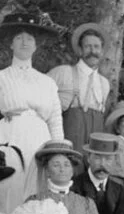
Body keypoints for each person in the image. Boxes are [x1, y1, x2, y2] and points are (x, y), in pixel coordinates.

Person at [0, 12, 63, 211]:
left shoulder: (47, 82)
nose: (25, 43)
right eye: (19, 38)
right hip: (8, 141)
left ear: (36, 45)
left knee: (36, 197)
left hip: (39, 143)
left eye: (30, 38)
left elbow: (55, 121)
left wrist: (58, 155)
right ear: (10, 44)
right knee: (8, 192)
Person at [47, 22, 110, 169]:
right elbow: (40, 99)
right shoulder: (62, 72)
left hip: (94, 147)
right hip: (67, 142)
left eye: (96, 47)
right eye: (88, 46)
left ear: (102, 51)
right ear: (80, 50)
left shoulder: (104, 84)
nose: (92, 51)